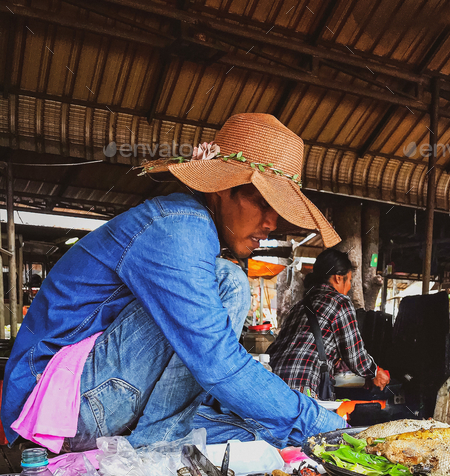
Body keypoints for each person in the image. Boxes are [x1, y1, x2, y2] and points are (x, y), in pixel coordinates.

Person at [1, 113, 347, 451]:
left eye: (278, 210)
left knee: (257, 433)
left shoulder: (189, 227)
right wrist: (318, 421)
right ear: (220, 189)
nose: (272, 222)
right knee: (229, 280)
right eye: (260, 201)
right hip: (61, 409)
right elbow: (217, 363)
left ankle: (158, 442)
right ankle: (154, 448)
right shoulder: (180, 227)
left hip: (99, 397)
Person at [268, 249, 390, 399]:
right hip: (300, 385)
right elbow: (355, 356)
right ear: (338, 278)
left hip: (270, 380)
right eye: (350, 280)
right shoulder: (340, 302)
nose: (350, 286)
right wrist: (375, 372)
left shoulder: (300, 305)